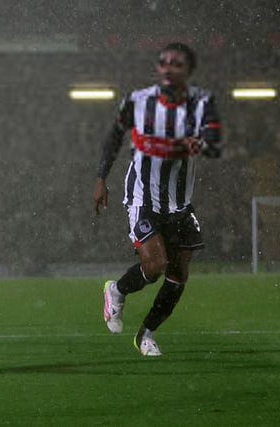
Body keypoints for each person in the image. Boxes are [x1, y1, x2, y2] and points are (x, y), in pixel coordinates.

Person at [92, 43, 222, 357]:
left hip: (180, 203)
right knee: (155, 265)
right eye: (164, 63)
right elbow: (114, 137)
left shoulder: (202, 104)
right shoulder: (138, 102)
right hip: (143, 197)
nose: (168, 69)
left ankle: (146, 334)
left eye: (176, 64)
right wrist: (101, 178)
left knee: (178, 275)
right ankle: (117, 291)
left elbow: (213, 145)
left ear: (188, 70)